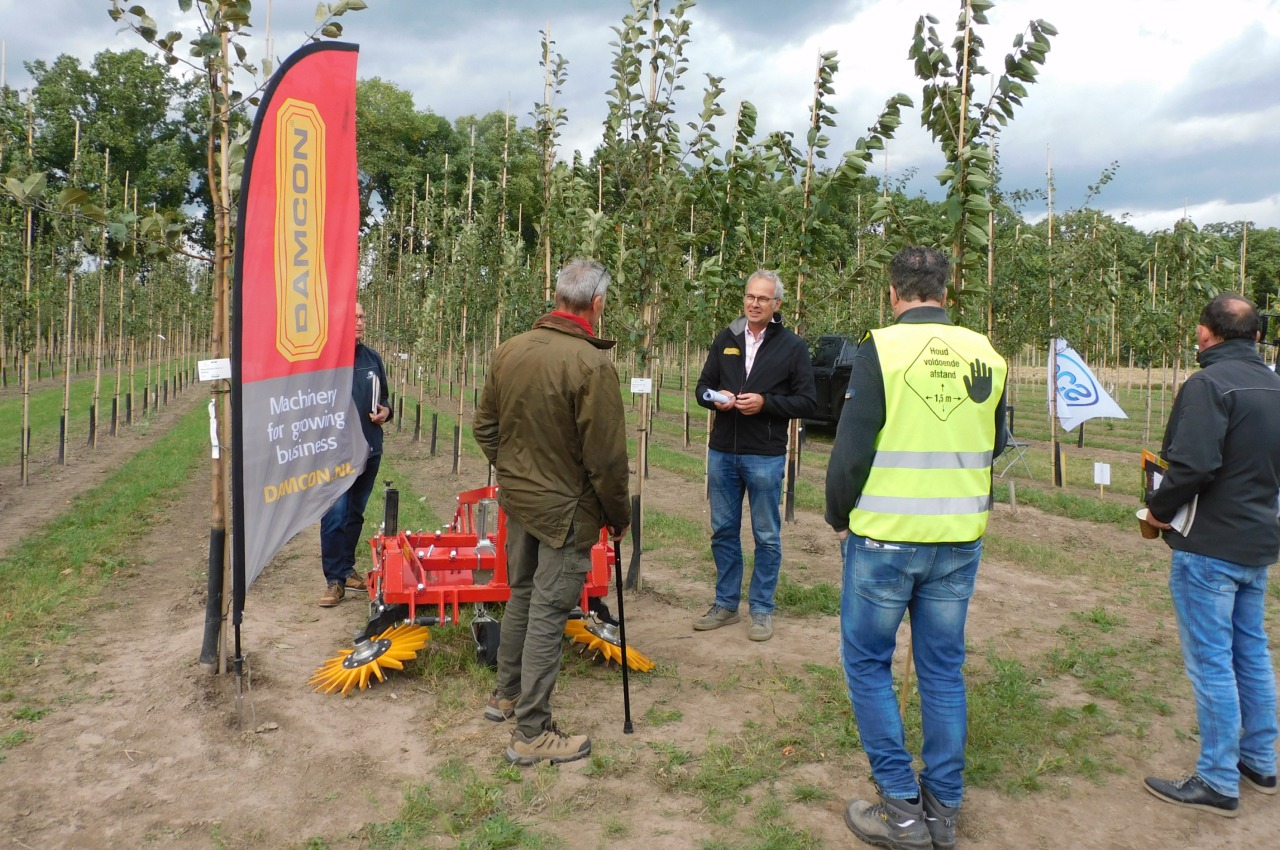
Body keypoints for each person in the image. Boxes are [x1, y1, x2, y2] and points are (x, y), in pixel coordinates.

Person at [825, 246, 1006, 850]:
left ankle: (901, 808)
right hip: (958, 537)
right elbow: (997, 440)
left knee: (870, 664)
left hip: (885, 537)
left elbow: (852, 450)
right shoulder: (986, 353)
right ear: (946, 294)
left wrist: (838, 514)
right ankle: (944, 809)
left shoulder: (883, 348)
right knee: (943, 669)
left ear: (894, 293)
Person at [474, 259, 631, 766]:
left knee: (522, 595)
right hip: (566, 511)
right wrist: (618, 515)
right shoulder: (591, 365)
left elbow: (484, 427)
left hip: (519, 502)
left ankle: (507, 696)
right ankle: (532, 731)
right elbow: (606, 460)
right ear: (598, 303)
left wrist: (514, 471)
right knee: (547, 610)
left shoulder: (509, 350)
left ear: (558, 294)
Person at [1142, 293, 1280, 817]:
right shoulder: (1274, 384)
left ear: (1206, 333)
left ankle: (1219, 779)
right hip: (1257, 542)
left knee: (1212, 663)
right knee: (1251, 653)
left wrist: (1157, 509)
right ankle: (1259, 761)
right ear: (1258, 337)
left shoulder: (1208, 385)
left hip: (1209, 549)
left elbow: (1194, 465)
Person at [693, 269, 816, 642]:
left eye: (763, 298)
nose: (754, 304)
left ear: (776, 304)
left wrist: (765, 403)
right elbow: (702, 387)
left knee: (766, 535)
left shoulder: (792, 347)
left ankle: (761, 609)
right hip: (722, 453)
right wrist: (715, 399)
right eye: (750, 296)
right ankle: (726, 603)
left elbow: (807, 400)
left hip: (764, 455)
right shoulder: (726, 338)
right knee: (723, 531)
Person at [318, 302, 391, 607]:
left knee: (355, 514)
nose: (361, 321)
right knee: (334, 514)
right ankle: (334, 580)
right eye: (355, 317)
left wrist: (386, 412)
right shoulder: (326, 363)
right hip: (337, 453)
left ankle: (346, 569)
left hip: (369, 448)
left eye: (362, 317)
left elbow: (385, 398)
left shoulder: (372, 359)